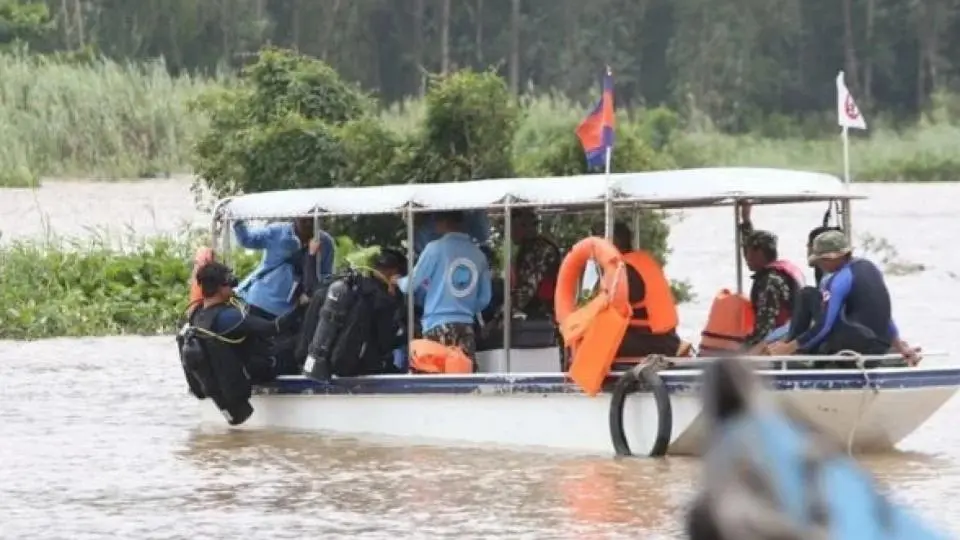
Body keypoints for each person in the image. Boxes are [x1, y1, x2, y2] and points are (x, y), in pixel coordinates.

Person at [767, 231, 920, 364]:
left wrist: (788, 347)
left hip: (857, 345)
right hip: (880, 345)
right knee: (811, 296)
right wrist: (900, 347)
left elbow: (824, 326)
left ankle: (789, 353)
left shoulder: (839, 280)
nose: (820, 265)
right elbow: (884, 315)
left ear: (831, 257)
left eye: (820, 261)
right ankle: (793, 349)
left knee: (806, 294)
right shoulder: (870, 267)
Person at [178, 262, 295, 424]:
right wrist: (301, 307)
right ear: (221, 287)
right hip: (253, 370)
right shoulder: (229, 317)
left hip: (225, 378)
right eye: (229, 283)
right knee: (292, 347)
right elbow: (273, 328)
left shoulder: (196, 315)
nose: (233, 287)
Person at [393, 211, 492, 369]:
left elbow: (409, 286)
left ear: (443, 222)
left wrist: (397, 280)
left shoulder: (434, 249)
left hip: (436, 327)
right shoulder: (478, 255)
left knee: (436, 381)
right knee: (463, 378)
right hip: (466, 327)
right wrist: (463, 306)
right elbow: (484, 299)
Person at [610, 221, 688, 357]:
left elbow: (613, 306)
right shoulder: (642, 260)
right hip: (667, 337)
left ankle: (583, 377)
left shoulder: (625, 270)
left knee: (598, 340)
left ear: (613, 241)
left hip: (653, 340)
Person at [738, 203, 806, 346]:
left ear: (759, 253)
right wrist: (745, 220)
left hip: (777, 343)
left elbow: (766, 327)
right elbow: (753, 240)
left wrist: (745, 348)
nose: (745, 258)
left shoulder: (770, 281)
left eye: (747, 252)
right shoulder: (781, 272)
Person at [233, 217, 317, 319]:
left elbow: (324, 276)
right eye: (304, 218)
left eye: (312, 219)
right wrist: (238, 222)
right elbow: (247, 239)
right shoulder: (277, 231)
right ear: (296, 216)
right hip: (260, 299)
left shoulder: (324, 242)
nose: (308, 223)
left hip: (287, 310)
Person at [509, 208, 562, 320]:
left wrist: (500, 316)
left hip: (544, 315)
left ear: (524, 225)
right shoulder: (528, 248)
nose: (509, 232)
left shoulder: (540, 250)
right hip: (537, 313)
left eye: (512, 226)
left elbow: (526, 290)